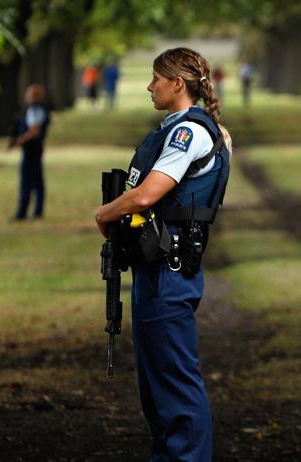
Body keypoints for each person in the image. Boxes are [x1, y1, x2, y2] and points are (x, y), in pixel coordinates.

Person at [94, 47, 231, 462]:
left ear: (177, 84)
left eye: (156, 78)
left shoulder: (189, 133)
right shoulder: (182, 128)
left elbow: (149, 193)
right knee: (157, 388)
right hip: (157, 267)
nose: (149, 86)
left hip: (169, 271)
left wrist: (105, 212)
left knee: (175, 385)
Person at [9, 84, 50, 221]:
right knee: (37, 181)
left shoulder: (34, 110)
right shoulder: (40, 109)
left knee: (26, 181)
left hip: (31, 150)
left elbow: (34, 130)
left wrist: (21, 139)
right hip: (37, 150)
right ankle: (37, 211)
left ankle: (22, 212)